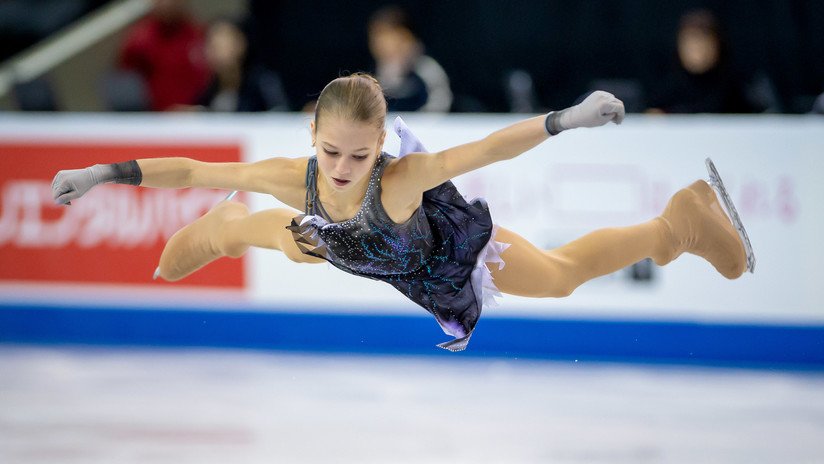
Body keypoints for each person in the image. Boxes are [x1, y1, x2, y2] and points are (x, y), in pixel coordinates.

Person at [51, 74, 754, 351]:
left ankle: (677, 225)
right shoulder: (294, 177)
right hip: (336, 244)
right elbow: (190, 170)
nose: (341, 167)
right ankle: (226, 229)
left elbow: (487, 147)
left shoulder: (402, 180)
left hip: (442, 258)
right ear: (312, 135)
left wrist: (564, 119)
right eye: (330, 151)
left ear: (380, 145)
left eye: (359, 155)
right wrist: (101, 175)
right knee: (296, 239)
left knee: (563, 278)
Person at [646, 9, 758, 114]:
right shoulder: (667, 91)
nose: (697, 52)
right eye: (690, 45)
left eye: (703, 44)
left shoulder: (737, 90)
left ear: (718, 46)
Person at [117, 0, 210, 111]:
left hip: (201, 115)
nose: (166, 3)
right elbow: (124, 85)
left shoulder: (199, 34)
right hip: (159, 116)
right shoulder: (140, 40)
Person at [190, 17, 289, 112]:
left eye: (222, 44)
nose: (215, 52)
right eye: (212, 45)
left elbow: (280, 114)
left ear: (241, 44)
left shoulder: (263, 84)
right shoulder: (207, 90)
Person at [368, 6, 452, 112]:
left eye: (393, 39)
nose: (382, 45)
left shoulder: (426, 68)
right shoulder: (373, 74)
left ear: (409, 38)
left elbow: (440, 103)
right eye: (376, 39)